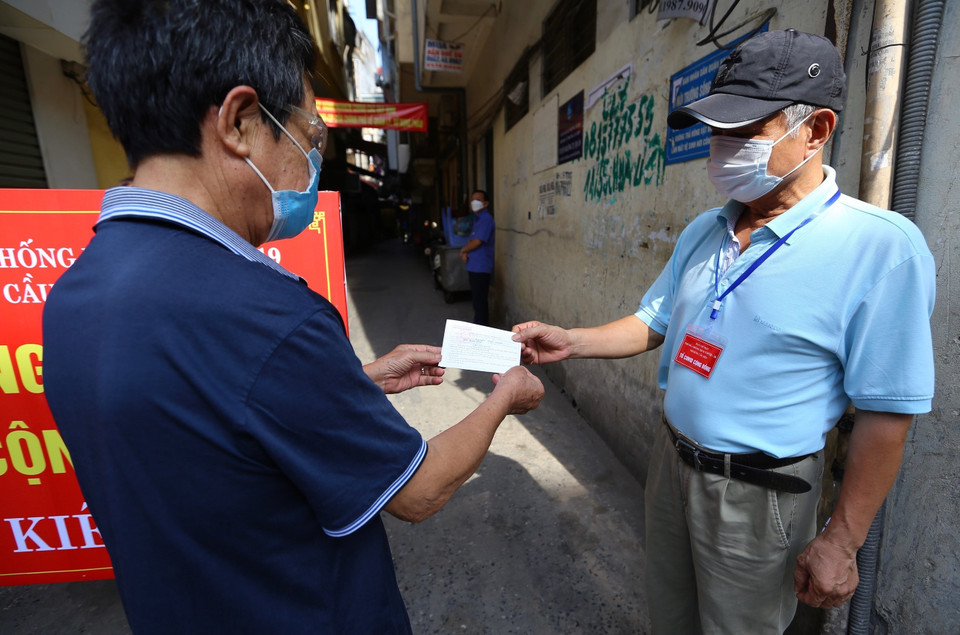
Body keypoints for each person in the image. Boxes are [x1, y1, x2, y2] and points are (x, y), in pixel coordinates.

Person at [41, 2, 543, 633]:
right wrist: (503, 398)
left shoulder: (73, 295)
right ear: (241, 123)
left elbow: (210, 428)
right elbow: (418, 492)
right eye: (310, 137)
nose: (313, 161)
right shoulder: (267, 314)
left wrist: (350, 379)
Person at [512, 29, 934, 633]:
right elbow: (652, 322)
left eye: (744, 132)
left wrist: (842, 539)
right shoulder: (705, 231)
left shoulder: (880, 249)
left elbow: (887, 413)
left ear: (815, 131)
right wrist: (572, 340)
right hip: (671, 467)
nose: (721, 147)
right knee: (672, 620)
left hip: (759, 497)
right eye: (716, 130)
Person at [460, 189, 495, 325]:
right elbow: (472, 240)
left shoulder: (486, 219)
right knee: (477, 300)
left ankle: (481, 330)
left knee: (480, 302)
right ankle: (480, 327)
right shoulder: (477, 219)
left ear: (485, 204)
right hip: (474, 266)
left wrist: (463, 249)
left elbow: (478, 241)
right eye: (472, 199)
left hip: (481, 267)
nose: (474, 202)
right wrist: (466, 251)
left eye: (478, 200)